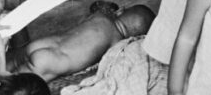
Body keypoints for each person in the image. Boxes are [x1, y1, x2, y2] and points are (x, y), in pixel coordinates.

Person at [10, 5, 156, 82]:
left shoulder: (100, 16)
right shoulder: (117, 44)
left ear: (121, 11)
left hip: (43, 43)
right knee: (13, 85)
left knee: (9, 64)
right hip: (51, 61)